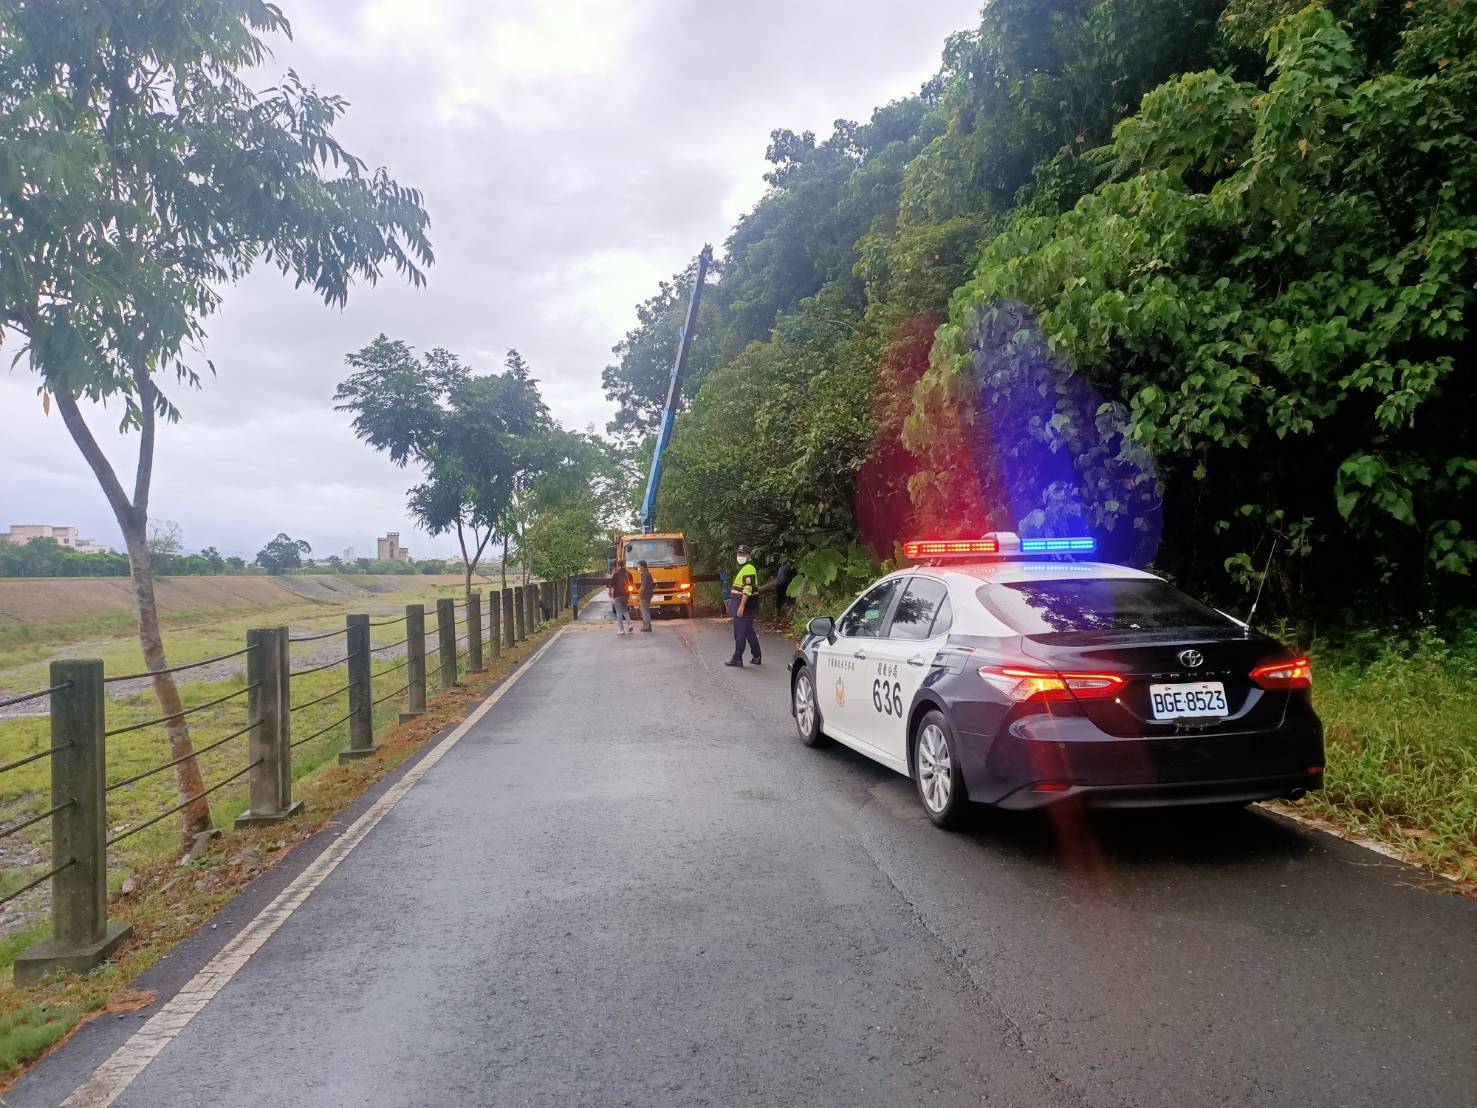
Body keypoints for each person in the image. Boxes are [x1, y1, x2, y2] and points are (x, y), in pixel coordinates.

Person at [725, 544, 761, 667]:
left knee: (739, 633)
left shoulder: (749, 568)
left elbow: (747, 589)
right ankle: (757, 656)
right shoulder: (745, 567)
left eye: (743, 554)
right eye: (739, 553)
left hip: (744, 605)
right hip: (744, 605)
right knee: (749, 631)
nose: (740, 556)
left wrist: (742, 606)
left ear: (749, 555)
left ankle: (737, 658)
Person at [608, 562, 633, 635]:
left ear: (618, 566)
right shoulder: (629, 574)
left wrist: (609, 587)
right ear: (625, 565)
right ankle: (629, 625)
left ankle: (621, 630)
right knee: (625, 610)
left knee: (619, 612)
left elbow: (611, 584)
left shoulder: (616, 574)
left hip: (617, 595)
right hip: (625, 595)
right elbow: (631, 583)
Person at [637, 559, 655, 632]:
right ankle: (647, 626)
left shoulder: (646, 575)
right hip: (647, 595)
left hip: (644, 595)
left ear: (642, 566)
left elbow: (643, 586)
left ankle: (647, 627)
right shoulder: (647, 574)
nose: (639, 568)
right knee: (645, 610)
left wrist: (639, 593)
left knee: (644, 611)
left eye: (639, 566)